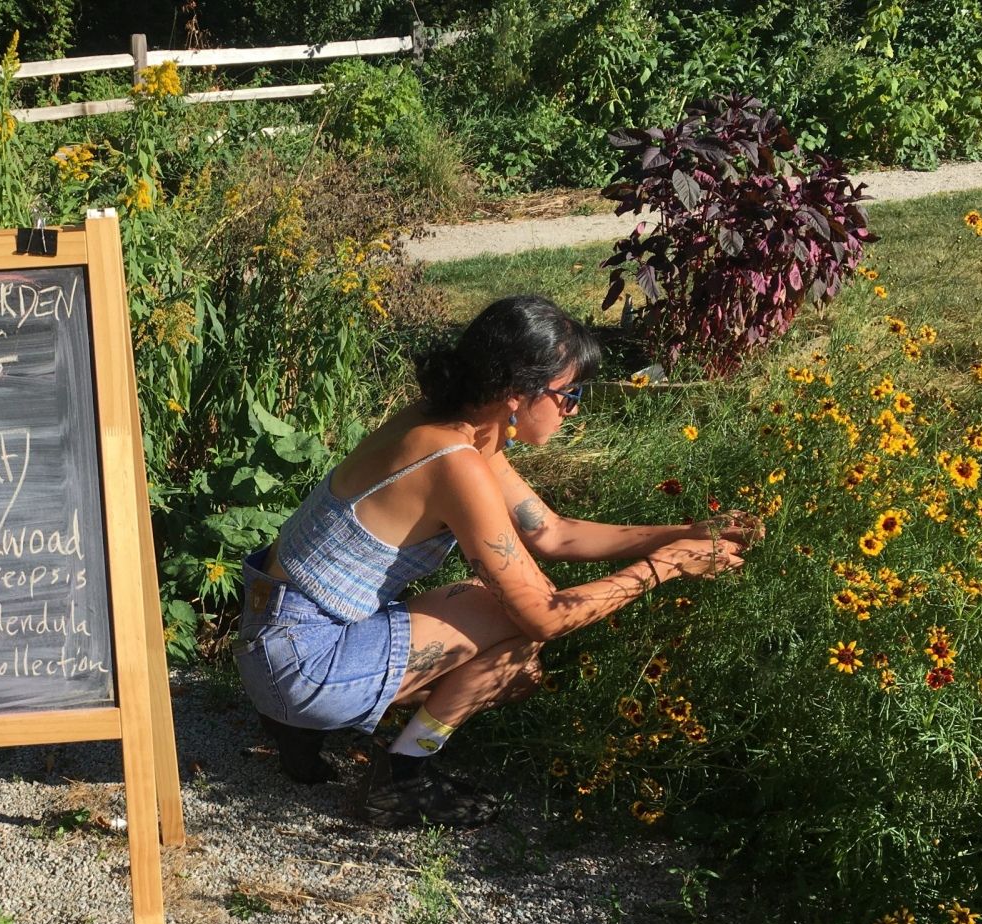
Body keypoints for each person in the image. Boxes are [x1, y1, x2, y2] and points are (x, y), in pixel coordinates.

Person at [233, 294, 759, 827]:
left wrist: (689, 533)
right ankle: (401, 778)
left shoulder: (445, 426)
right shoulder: (454, 463)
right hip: (304, 665)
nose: (574, 409)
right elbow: (544, 616)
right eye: (569, 394)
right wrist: (668, 566)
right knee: (517, 631)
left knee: (517, 666)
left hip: (272, 637)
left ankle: (301, 728)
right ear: (516, 394)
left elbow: (552, 532)